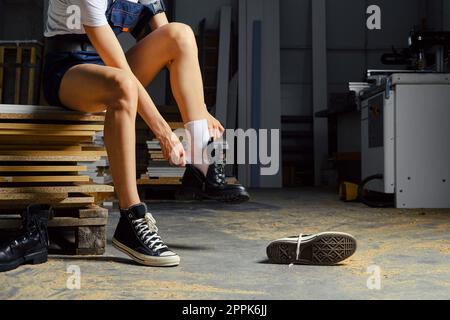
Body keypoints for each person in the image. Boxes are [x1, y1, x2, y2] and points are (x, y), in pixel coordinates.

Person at [42, 0, 249, 267]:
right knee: (123, 84)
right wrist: (164, 132)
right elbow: (119, 67)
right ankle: (131, 217)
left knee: (181, 34)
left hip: (109, 69)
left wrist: (200, 112)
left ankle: (200, 164)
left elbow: (171, 43)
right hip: (69, 71)